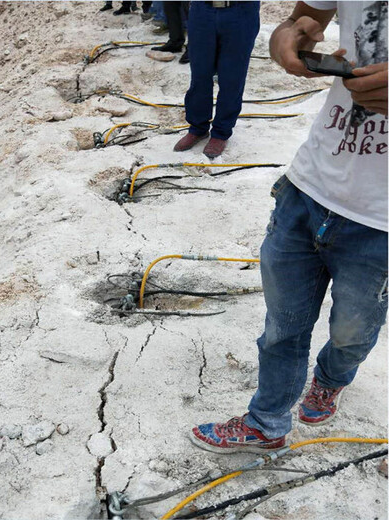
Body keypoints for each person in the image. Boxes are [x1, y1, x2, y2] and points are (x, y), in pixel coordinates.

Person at [190, 1, 388, 454]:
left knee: (351, 333)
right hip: (309, 187)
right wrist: (286, 39)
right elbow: (303, 21)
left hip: (381, 222)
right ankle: (267, 422)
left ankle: (332, 378)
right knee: (282, 327)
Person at [173, 1, 260, 158]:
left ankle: (221, 132)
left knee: (232, 77)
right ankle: (197, 128)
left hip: (240, 11)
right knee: (200, 74)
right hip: (202, 9)